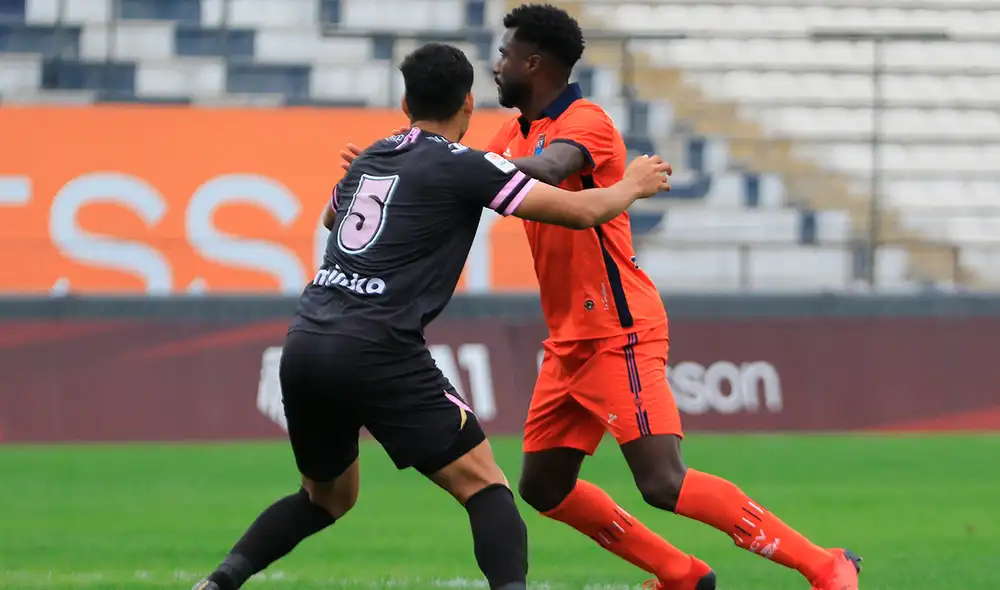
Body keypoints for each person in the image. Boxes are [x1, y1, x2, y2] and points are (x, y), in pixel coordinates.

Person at [340, 4, 862, 590]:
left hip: (620, 328)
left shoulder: (586, 121)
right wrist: (398, 174)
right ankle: (680, 574)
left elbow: (542, 169)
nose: (496, 65)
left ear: (533, 63)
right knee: (543, 486)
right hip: (568, 340)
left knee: (663, 481)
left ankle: (824, 564)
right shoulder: (512, 130)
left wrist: (470, 173)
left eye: (506, 54)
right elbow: (473, 177)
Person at [192, 42, 672, 590]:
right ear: (469, 105)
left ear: (404, 102)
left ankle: (219, 582)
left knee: (326, 496)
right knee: (487, 488)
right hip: (379, 346)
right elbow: (582, 212)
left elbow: (332, 218)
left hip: (306, 339)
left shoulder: (374, 154)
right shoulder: (465, 166)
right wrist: (632, 183)